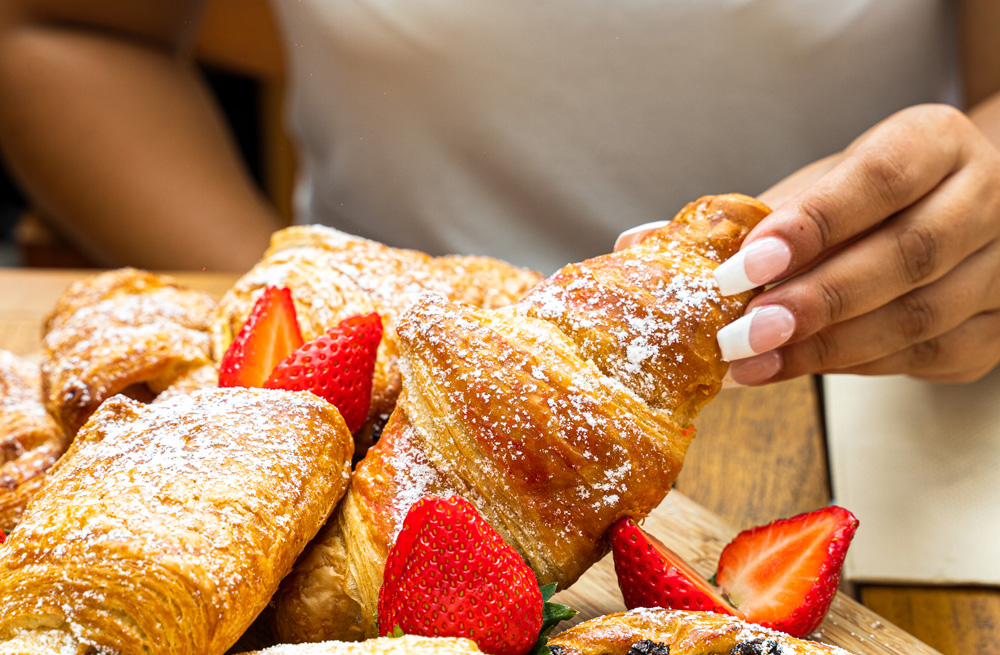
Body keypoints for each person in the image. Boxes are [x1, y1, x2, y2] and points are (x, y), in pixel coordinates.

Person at [1, 0, 999, 386]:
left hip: (881, 378)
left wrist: (970, 205)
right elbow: (66, 30)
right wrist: (292, 321)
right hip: (386, 384)